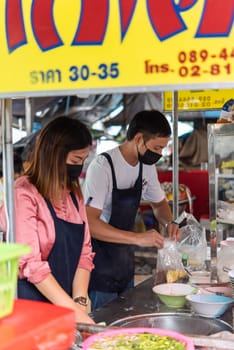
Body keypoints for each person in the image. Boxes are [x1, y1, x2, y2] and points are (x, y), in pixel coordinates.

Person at [0, 116, 95, 324]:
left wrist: (79, 301)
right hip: (31, 309)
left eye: (83, 161)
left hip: (65, 307)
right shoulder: (24, 193)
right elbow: (32, 264)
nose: (79, 168)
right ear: (54, 155)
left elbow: (84, 253)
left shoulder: (74, 195)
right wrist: (75, 314)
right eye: (75, 161)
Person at [83, 110, 181, 310]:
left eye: (162, 148)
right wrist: (137, 238)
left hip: (125, 260)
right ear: (138, 139)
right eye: (156, 147)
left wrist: (169, 223)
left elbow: (159, 203)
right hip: (99, 260)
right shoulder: (102, 167)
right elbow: (90, 222)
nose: (159, 153)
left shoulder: (146, 166)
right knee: (102, 321)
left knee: (126, 315)